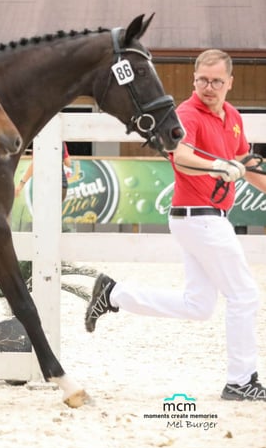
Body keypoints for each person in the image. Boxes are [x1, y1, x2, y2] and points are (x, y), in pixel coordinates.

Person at [85, 49, 266, 401]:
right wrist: (218, 167)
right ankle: (240, 380)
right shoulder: (186, 114)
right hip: (199, 218)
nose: (208, 87)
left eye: (216, 81)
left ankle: (114, 293)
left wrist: (240, 167)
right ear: (193, 79)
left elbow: (246, 161)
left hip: (204, 220)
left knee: (199, 306)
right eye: (202, 80)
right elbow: (181, 157)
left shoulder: (232, 116)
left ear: (230, 82)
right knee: (244, 295)